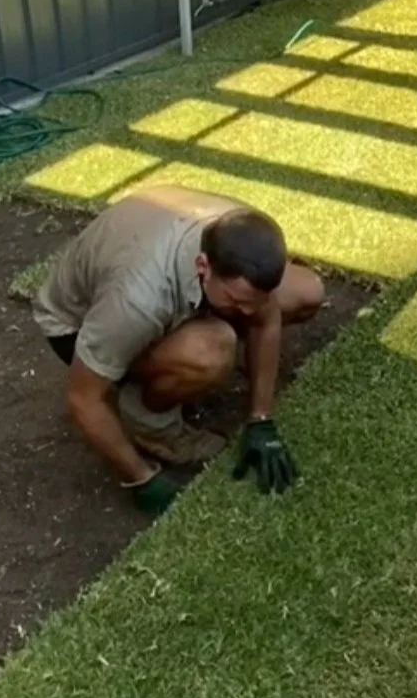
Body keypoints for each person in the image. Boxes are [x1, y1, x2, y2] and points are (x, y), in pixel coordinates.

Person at [33, 185, 324, 513]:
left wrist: (261, 419)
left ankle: (185, 351)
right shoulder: (138, 299)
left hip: (156, 265)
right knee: (212, 348)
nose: (247, 311)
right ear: (203, 267)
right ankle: (146, 418)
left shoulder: (243, 237)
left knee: (305, 291)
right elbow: (82, 397)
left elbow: (265, 314)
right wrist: (142, 480)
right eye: (235, 301)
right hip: (77, 324)